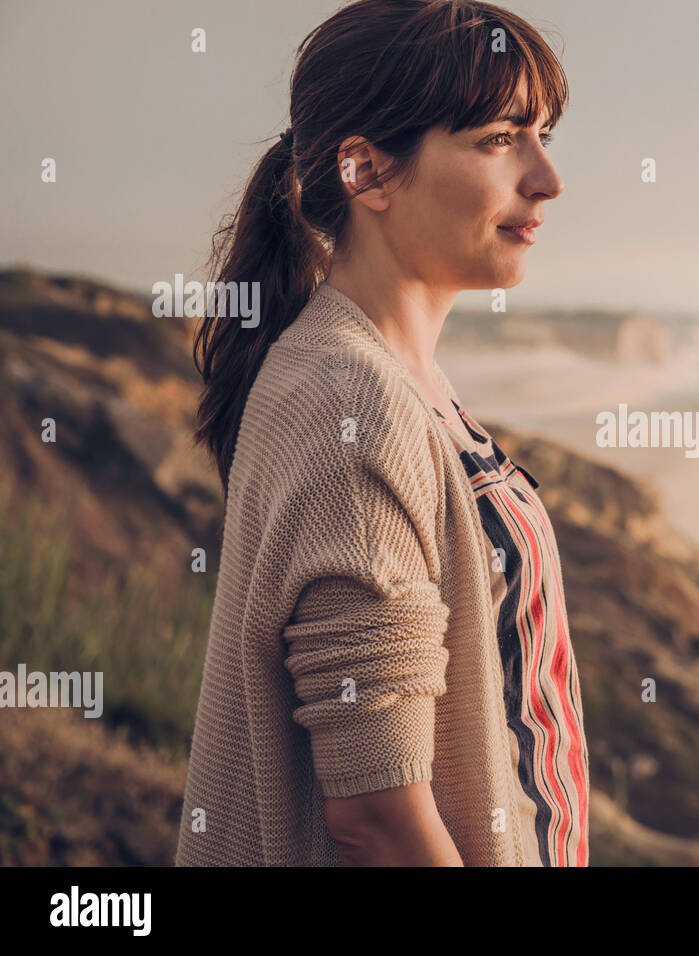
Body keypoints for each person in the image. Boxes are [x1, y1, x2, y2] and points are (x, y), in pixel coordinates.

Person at [179, 0, 588, 866]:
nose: (547, 178)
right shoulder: (349, 404)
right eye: (499, 139)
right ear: (366, 172)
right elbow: (379, 817)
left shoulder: (393, 378)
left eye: (543, 134)